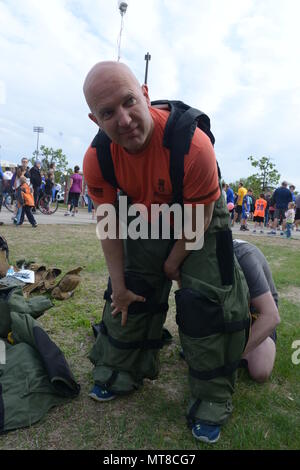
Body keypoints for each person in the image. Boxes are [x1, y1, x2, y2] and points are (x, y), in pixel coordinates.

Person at [82, 61, 250, 444]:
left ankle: (211, 397)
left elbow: (197, 223)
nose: (123, 120)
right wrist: (120, 286)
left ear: (143, 93)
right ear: (95, 119)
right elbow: (110, 229)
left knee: (206, 302)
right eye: (108, 113)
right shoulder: (98, 159)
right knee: (130, 292)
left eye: (128, 103)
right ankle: (123, 367)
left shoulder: (194, 146)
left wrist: (173, 263)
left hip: (198, 218)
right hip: (146, 213)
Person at [233, 239, 280, 382]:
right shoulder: (200, 260)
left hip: (256, 312)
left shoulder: (243, 256)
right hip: (232, 309)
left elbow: (271, 316)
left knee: (259, 370)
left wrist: (232, 359)